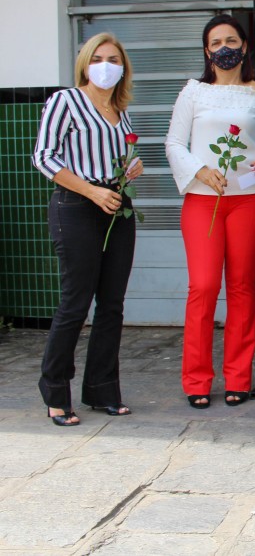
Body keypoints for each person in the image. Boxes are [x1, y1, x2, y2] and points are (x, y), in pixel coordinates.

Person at [165, 14, 255, 409]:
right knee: (202, 286)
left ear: (245, 46)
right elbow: (174, 144)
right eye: (215, 43)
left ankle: (238, 377)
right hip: (203, 200)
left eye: (230, 40)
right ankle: (196, 379)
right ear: (206, 51)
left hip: (250, 200)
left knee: (241, 286)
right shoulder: (193, 93)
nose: (224, 48)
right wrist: (200, 170)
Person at [31, 33, 144, 425]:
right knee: (75, 303)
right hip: (77, 206)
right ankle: (55, 391)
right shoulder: (66, 101)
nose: (106, 64)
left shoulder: (119, 107)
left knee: (112, 305)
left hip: (117, 205)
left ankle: (102, 390)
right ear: (84, 63)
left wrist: (134, 165)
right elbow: (43, 156)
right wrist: (93, 193)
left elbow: (116, 154)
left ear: (123, 66)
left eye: (114, 58)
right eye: (98, 58)